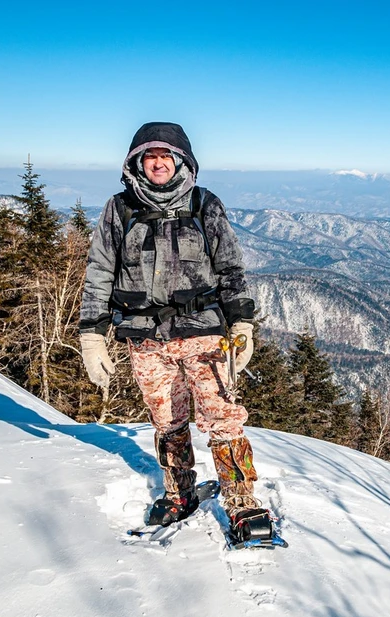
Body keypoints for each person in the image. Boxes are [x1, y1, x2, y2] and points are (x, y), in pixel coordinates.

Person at [78, 122, 265, 536]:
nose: (158, 163)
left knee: (222, 416)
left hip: (204, 332)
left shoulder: (203, 205)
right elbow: (99, 273)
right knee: (166, 419)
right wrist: (92, 336)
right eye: (150, 156)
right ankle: (179, 490)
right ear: (136, 163)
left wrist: (242, 324)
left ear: (181, 161)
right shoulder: (120, 208)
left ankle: (241, 499)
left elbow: (231, 267)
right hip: (145, 336)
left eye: (166, 156)